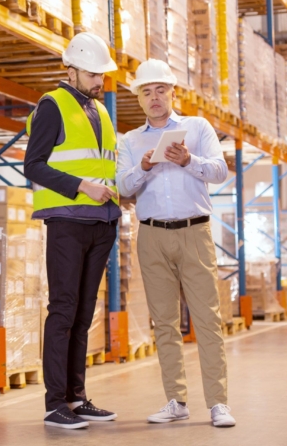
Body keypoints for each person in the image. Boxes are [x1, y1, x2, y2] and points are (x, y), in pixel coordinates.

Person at [116, 59, 236, 428]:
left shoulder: (197, 128)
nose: (154, 98)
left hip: (194, 232)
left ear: (172, 92)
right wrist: (144, 168)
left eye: (160, 90)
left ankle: (218, 403)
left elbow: (220, 171)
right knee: (164, 323)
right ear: (139, 98)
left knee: (207, 318)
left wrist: (188, 160)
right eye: (146, 92)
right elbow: (122, 188)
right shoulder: (131, 141)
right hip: (151, 236)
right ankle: (175, 399)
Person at [23, 32, 120, 430]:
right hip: (67, 222)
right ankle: (54, 403)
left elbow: (102, 166)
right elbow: (34, 165)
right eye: (93, 73)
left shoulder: (101, 110)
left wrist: (118, 192)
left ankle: (77, 398)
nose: (99, 81)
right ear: (71, 70)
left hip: (103, 222)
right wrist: (82, 186)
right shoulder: (53, 105)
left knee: (83, 313)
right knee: (63, 310)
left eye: (102, 74)